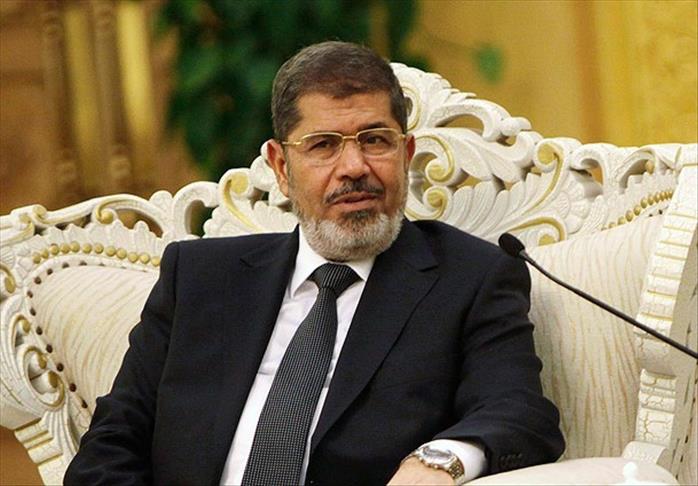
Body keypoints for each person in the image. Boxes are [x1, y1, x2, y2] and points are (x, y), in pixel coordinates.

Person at [65, 41, 564, 486]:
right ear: (281, 167)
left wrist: (441, 461)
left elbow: (518, 412)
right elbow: (112, 444)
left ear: (406, 153)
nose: (354, 167)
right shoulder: (199, 278)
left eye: (375, 140)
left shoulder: (470, 278)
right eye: (323, 145)